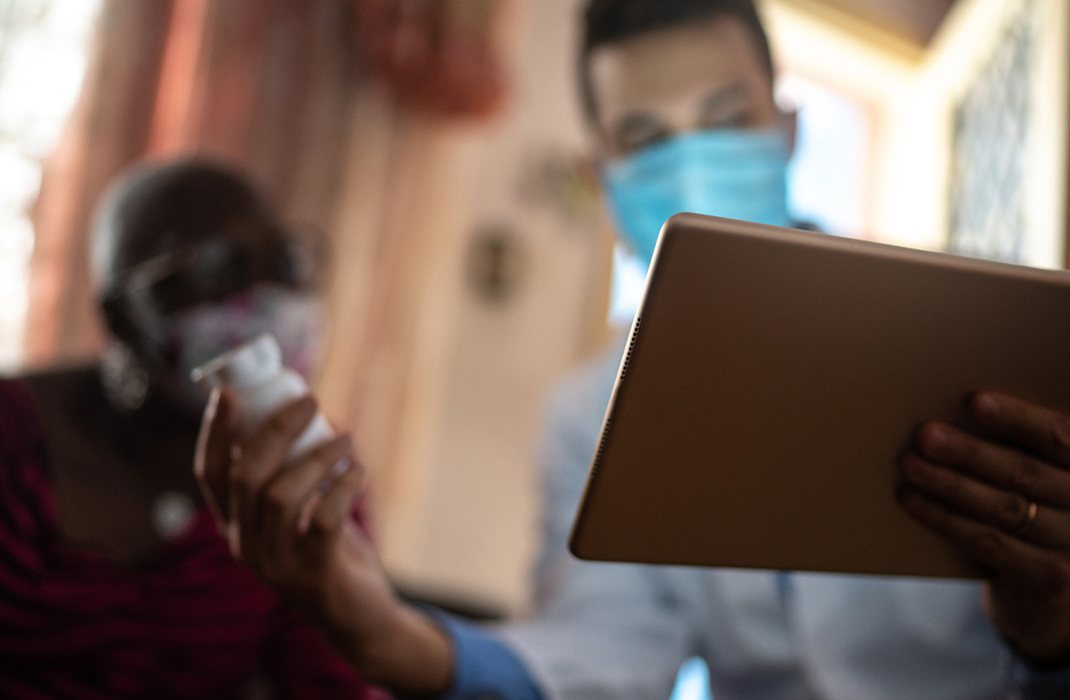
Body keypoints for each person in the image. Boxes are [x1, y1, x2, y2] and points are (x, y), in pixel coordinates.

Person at [194, 1, 1070, 699]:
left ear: (789, 129)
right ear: (601, 172)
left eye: (727, 117)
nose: (692, 158)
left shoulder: (967, 336)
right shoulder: (586, 415)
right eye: (648, 138)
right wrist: (381, 630)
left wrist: (1053, 628)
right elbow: (602, 659)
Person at [0, 159, 382, 699]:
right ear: (122, 317)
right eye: (212, 270)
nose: (266, 299)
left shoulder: (307, 469)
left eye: (283, 260)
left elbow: (328, 681)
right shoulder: (15, 435)